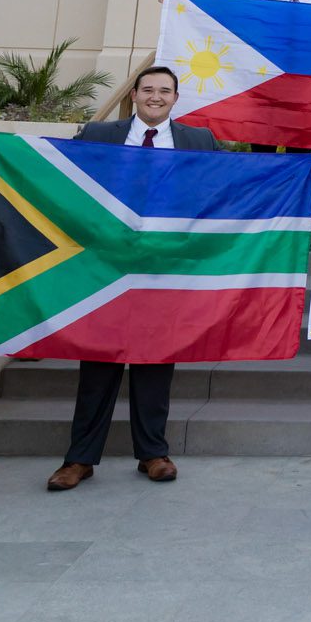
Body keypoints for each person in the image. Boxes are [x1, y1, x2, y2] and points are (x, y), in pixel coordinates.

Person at [45, 66, 223, 493]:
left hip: (164, 272)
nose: (156, 97)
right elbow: (65, 188)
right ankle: (79, 459)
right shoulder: (97, 136)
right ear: (134, 96)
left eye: (165, 91)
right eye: (148, 90)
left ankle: (153, 454)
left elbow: (219, 191)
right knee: (98, 365)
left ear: (176, 99)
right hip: (105, 270)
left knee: (155, 362)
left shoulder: (199, 141)